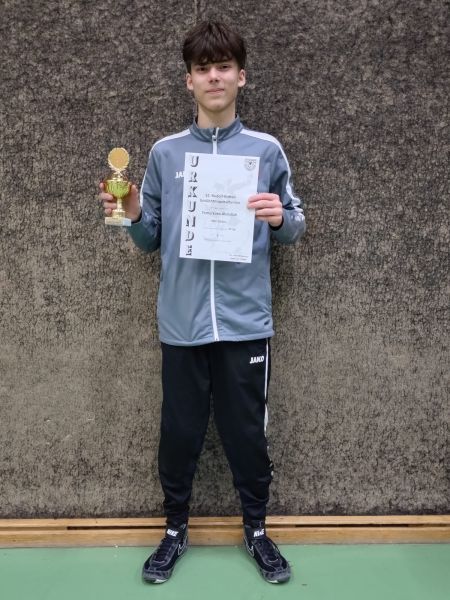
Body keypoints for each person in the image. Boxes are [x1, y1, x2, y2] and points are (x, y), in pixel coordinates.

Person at [99, 20, 306, 584]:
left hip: (245, 324)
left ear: (241, 77)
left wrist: (278, 218)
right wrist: (133, 213)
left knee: (247, 435)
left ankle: (257, 531)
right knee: (179, 434)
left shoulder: (266, 150)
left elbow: (295, 224)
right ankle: (174, 531)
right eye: (202, 69)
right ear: (188, 80)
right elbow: (150, 238)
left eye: (223, 67)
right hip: (182, 324)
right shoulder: (165, 153)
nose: (214, 77)